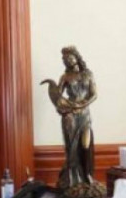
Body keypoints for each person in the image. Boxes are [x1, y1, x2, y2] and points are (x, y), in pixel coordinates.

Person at [41, 46, 97, 189]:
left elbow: (94, 94)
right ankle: (72, 179)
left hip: (84, 114)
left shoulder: (88, 74)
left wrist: (83, 104)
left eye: (70, 57)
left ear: (76, 57)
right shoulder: (65, 77)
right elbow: (58, 96)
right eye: (65, 59)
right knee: (71, 146)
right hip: (70, 114)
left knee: (85, 144)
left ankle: (87, 174)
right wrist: (52, 86)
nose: (68, 60)